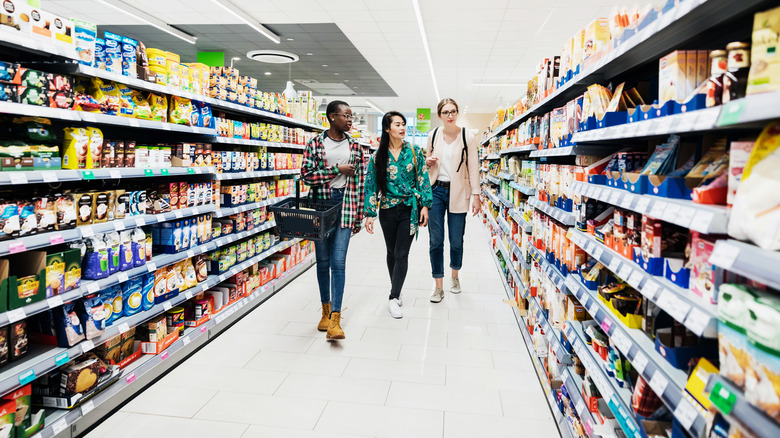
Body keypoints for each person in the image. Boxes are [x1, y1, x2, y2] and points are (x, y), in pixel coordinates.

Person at [301, 100, 365, 340]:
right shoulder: (316, 144)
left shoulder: (356, 147)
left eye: (351, 116)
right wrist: (336, 170)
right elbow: (306, 177)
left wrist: (358, 217)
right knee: (323, 262)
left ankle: (336, 319)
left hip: (346, 206)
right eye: (345, 115)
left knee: (339, 262)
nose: (350, 120)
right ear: (331, 117)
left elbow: (359, 184)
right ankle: (325, 312)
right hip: (321, 207)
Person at [364, 111, 432, 319]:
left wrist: (425, 206)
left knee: (402, 253)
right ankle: (397, 286)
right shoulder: (378, 156)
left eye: (403, 124)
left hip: (409, 209)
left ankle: (393, 297)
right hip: (387, 209)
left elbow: (423, 178)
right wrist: (369, 213)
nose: (402, 128)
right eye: (397, 124)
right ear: (387, 129)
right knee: (391, 252)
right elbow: (371, 184)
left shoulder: (414, 151)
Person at [424, 98, 481, 303]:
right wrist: (427, 162)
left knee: (456, 240)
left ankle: (454, 277)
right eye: (446, 112)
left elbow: (473, 167)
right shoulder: (433, 135)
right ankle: (438, 286)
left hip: (458, 191)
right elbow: (427, 165)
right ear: (440, 115)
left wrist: (476, 195)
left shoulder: (468, 136)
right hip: (436, 191)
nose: (450, 115)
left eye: (453, 111)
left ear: (457, 113)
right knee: (435, 240)